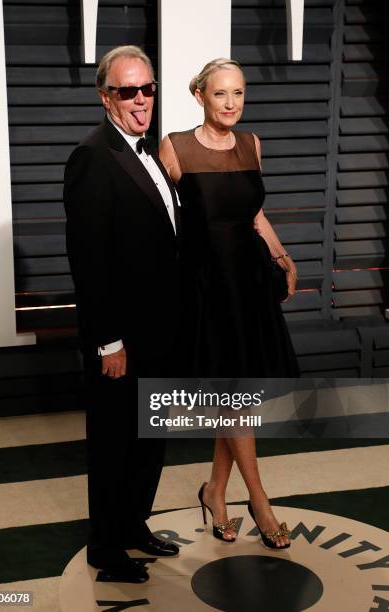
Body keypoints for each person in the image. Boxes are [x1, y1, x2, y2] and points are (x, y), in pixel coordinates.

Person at [159, 58, 299, 548]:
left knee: (236, 398)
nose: (232, 103)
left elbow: (253, 211)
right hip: (205, 287)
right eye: (221, 94)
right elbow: (160, 222)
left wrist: (282, 257)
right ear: (200, 95)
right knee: (233, 399)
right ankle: (259, 503)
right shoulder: (173, 148)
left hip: (249, 282)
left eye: (238, 93)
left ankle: (215, 490)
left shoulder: (251, 144)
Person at [64, 45, 181, 583]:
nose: (140, 100)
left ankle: (133, 525)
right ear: (104, 96)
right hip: (122, 339)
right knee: (114, 442)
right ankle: (106, 549)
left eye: (147, 88)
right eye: (126, 90)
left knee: (148, 437)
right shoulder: (93, 156)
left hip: (161, 331)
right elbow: (89, 260)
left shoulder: (151, 151)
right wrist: (108, 341)